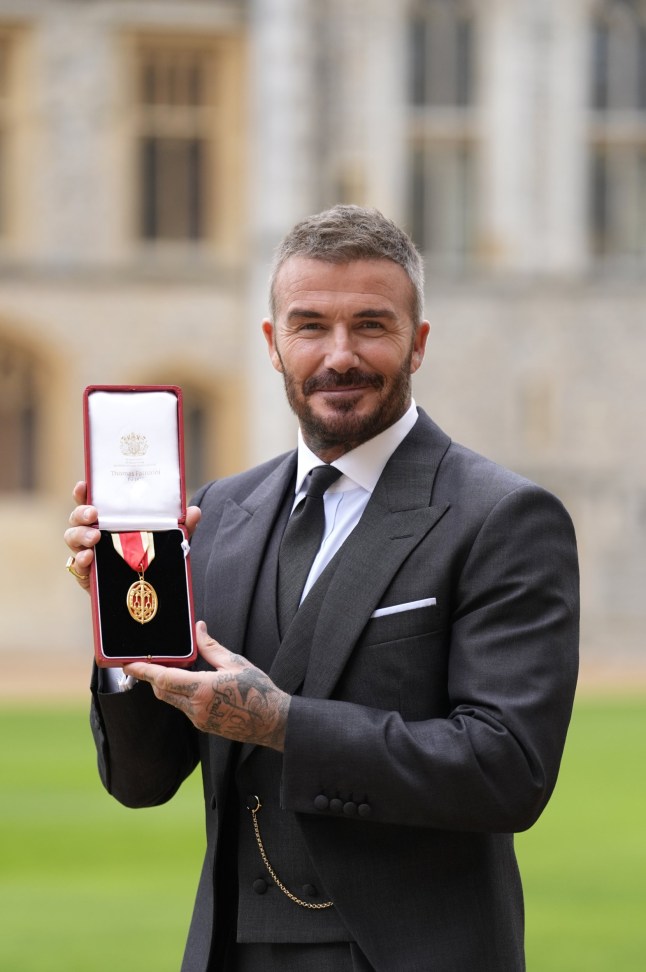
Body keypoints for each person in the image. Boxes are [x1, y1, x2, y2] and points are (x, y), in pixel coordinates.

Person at [64, 205, 579, 972]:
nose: (340, 356)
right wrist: (121, 618)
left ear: (419, 343)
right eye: (310, 326)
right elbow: (142, 781)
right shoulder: (220, 514)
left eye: (371, 324)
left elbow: (508, 771)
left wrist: (284, 725)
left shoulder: (501, 517)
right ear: (273, 345)